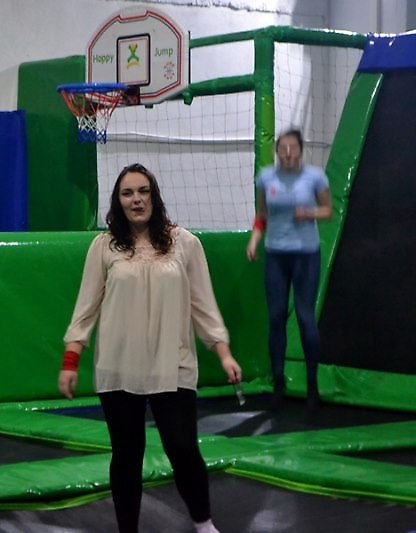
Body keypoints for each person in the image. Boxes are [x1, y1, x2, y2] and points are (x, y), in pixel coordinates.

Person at [58, 163, 242, 533]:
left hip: (172, 363)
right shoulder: (104, 247)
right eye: (127, 193)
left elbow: (203, 305)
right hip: (119, 365)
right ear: (118, 201)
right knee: (127, 454)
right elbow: (85, 307)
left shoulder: (185, 243)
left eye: (143, 191)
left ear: (154, 197)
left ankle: (203, 523)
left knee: (183, 447)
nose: (136, 199)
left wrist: (223, 353)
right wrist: (71, 360)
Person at [246, 128, 332, 412]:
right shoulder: (266, 177)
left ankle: (312, 386)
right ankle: (279, 383)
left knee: (306, 318)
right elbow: (262, 215)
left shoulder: (315, 177)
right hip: (276, 255)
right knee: (276, 317)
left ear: (301, 150)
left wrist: (310, 213)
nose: (288, 153)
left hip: (306, 255)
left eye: (293, 148)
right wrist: (254, 240)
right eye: (283, 148)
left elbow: (328, 209)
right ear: (277, 151)